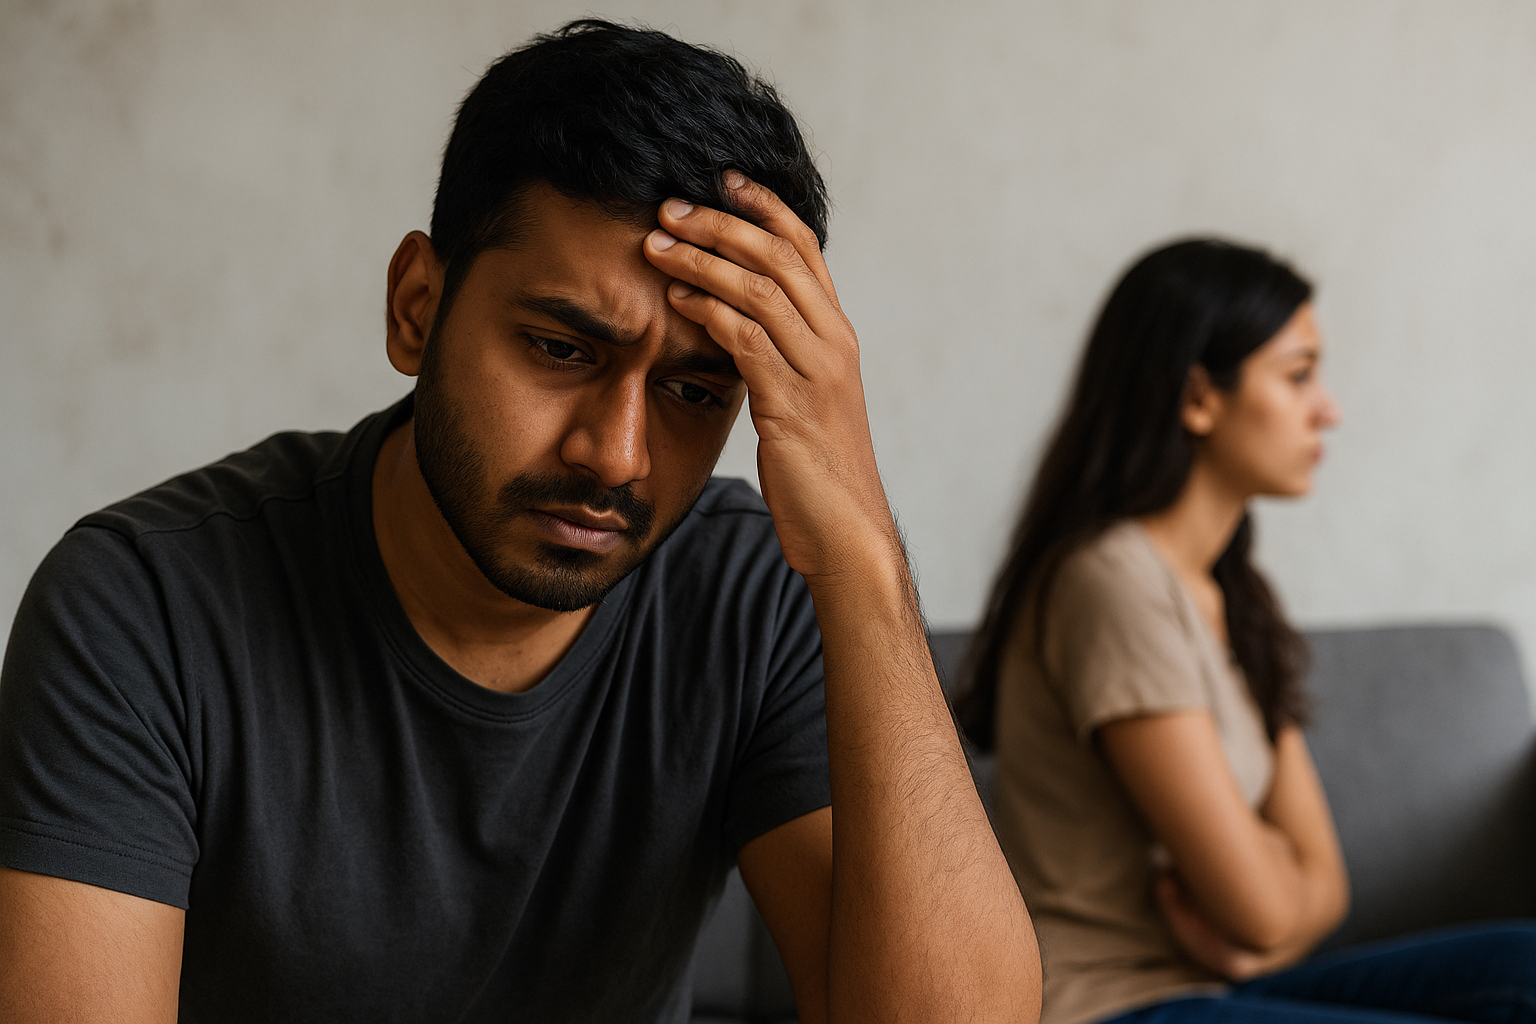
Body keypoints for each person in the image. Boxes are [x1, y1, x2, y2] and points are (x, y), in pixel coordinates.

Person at [0, 21, 1039, 1024]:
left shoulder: (752, 597)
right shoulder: (142, 607)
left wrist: (859, 553)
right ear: (417, 305)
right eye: (560, 348)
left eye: (692, 392)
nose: (617, 453)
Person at [957, 238, 1536, 1024]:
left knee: (1523, 960)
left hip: (1216, 990)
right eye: (1298, 375)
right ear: (1198, 397)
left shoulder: (1236, 595)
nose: (1327, 407)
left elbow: (1323, 889)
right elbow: (1260, 906)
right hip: (1103, 1007)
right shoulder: (1111, 581)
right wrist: (1263, 907)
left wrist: (1262, 925)